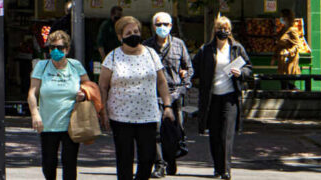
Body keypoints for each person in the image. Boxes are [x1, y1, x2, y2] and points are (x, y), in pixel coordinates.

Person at [99, 16, 176, 180]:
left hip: (147, 117)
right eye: (128, 32)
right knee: (124, 160)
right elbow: (103, 87)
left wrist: (167, 106)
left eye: (136, 31)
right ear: (120, 37)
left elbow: (161, 82)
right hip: (121, 117)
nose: (133, 35)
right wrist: (103, 111)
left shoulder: (151, 54)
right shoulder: (112, 57)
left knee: (147, 159)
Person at [192, 17, 253, 180]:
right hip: (212, 97)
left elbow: (249, 68)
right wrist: (186, 74)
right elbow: (194, 68)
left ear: (230, 31)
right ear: (215, 30)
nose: (223, 31)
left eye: (226, 28)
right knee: (214, 134)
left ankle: (226, 170)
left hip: (230, 97)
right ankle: (217, 168)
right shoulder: (206, 49)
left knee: (226, 134)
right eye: (220, 28)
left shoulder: (236, 48)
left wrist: (241, 73)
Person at [28, 31, 90, 180]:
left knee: (69, 163)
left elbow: (89, 86)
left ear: (67, 50)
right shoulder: (42, 66)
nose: (56, 51)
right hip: (48, 124)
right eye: (52, 47)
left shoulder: (75, 66)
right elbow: (32, 93)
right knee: (49, 163)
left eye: (60, 47)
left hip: (71, 123)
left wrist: (83, 94)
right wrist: (35, 114)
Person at [143, 12, 192, 178]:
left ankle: (171, 159)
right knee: (156, 130)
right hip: (154, 94)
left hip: (174, 93)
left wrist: (184, 84)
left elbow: (189, 68)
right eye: (158, 24)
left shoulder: (179, 45)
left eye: (165, 24)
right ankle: (159, 164)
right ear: (153, 26)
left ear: (171, 26)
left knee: (174, 131)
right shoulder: (147, 47)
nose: (162, 27)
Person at [273, 9, 301, 90]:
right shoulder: (283, 29)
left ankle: (294, 92)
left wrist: (288, 52)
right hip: (281, 59)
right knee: (283, 80)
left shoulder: (292, 29)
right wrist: (274, 57)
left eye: (282, 17)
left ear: (286, 18)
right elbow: (279, 44)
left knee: (286, 81)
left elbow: (297, 44)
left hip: (288, 60)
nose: (280, 18)